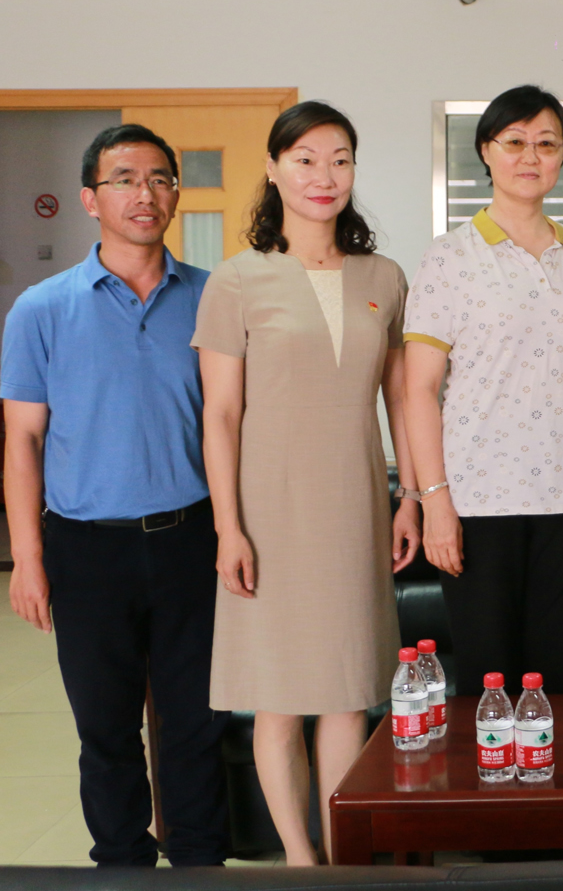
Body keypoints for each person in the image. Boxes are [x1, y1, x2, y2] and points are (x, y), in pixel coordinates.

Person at [193, 101, 418, 865]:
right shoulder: (236, 280)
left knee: (349, 693)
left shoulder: (384, 276)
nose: (324, 176)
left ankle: (342, 860)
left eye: (340, 160)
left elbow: (401, 399)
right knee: (280, 698)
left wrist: (411, 497)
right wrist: (228, 527)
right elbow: (221, 415)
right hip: (268, 509)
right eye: (305, 159)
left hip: (354, 502)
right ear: (274, 168)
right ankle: (299, 859)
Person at [1, 125, 228, 868]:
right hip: (86, 548)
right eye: (124, 178)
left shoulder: (213, 299)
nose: (144, 193)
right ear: (90, 199)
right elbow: (22, 441)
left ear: (175, 194)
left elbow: (234, 424)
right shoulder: (41, 308)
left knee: (197, 723)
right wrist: (27, 559)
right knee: (104, 730)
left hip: (192, 539)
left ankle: (201, 867)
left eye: (159, 178)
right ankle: (122, 868)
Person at [404, 85, 563, 696]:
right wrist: (434, 502)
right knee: (489, 681)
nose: (531, 156)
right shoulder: (449, 257)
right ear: (486, 151)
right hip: (479, 502)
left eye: (547, 144)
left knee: (558, 680)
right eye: (515, 141)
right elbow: (419, 390)